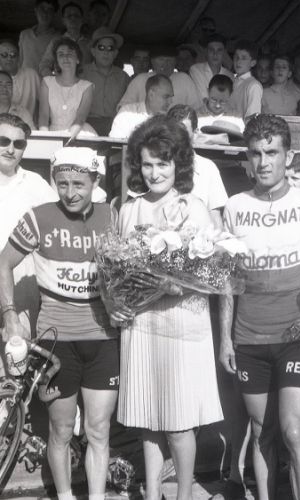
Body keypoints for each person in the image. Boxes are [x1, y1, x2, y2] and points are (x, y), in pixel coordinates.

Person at [0, 146, 119, 500]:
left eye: (79, 184)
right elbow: (3, 262)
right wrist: (9, 313)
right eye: (62, 183)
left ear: (95, 181)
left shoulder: (112, 216)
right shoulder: (38, 217)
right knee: (61, 430)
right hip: (57, 344)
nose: (70, 192)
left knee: (98, 430)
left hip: (103, 339)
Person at [114, 117, 223, 500]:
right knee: (148, 419)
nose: (155, 172)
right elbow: (118, 272)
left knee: (178, 423)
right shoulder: (129, 210)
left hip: (182, 325)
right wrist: (118, 301)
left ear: (179, 164)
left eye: (163, 163)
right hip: (141, 325)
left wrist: (174, 284)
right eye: (147, 164)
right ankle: (152, 490)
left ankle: (184, 494)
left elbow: (212, 275)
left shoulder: (193, 208)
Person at [221, 114, 300, 500]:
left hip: (296, 336)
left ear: (288, 156)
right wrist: (225, 338)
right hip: (249, 338)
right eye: (255, 154)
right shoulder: (234, 207)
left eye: (272, 152)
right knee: (261, 430)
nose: (263, 162)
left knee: (294, 431)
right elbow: (229, 281)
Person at [0, 113, 56, 336]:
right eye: (3, 141)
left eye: (18, 144)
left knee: (17, 354)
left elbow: (59, 224)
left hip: (21, 289)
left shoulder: (35, 184)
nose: (10, 149)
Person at [165, 104, 228, 228]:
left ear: (195, 132)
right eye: (172, 130)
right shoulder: (156, 166)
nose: (177, 136)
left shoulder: (208, 168)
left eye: (182, 130)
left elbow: (215, 219)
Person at [38, 38, 96, 140]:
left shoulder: (87, 87)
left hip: (78, 134)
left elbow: (80, 119)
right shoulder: (47, 82)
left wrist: (66, 140)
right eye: (61, 54)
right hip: (52, 133)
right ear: (57, 60)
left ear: (77, 59)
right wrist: (45, 138)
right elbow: (44, 116)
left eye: (70, 54)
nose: (65, 57)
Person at [117, 46, 201, 111]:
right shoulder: (140, 79)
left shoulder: (184, 79)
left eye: (169, 60)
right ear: (152, 61)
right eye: (161, 59)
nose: (166, 64)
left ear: (175, 62)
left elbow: (197, 107)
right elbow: (123, 108)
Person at [82, 27, 129, 136]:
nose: (106, 52)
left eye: (110, 48)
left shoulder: (124, 77)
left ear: (115, 53)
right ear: (93, 51)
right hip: (86, 125)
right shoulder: (82, 74)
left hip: (116, 126)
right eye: (101, 47)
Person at [109, 74, 173, 139]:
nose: (170, 102)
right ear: (151, 95)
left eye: (171, 97)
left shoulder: (171, 120)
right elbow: (115, 143)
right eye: (166, 97)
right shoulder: (126, 115)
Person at [39, 2, 92, 77]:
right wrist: (52, 80)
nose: (73, 18)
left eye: (76, 15)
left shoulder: (90, 43)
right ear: (63, 21)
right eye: (69, 16)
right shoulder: (56, 42)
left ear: (82, 20)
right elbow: (44, 65)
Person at [0, 39, 40, 119]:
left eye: (13, 55)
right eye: (4, 55)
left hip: (28, 122)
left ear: (19, 57)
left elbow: (42, 101)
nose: (9, 58)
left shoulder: (32, 75)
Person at [189, 34, 234, 100]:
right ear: (206, 52)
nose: (215, 54)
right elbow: (203, 98)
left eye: (219, 50)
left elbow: (230, 99)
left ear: (224, 52)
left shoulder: (230, 75)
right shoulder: (196, 69)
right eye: (211, 50)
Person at [18, 0, 59, 72]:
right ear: (36, 10)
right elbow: (20, 60)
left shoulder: (57, 37)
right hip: (24, 77)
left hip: (44, 78)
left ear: (54, 14)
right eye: (42, 8)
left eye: (50, 10)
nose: (45, 13)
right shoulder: (24, 34)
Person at [229, 40, 263, 120]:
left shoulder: (253, 85)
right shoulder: (231, 81)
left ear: (253, 63)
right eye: (236, 57)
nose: (238, 61)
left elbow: (252, 118)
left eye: (243, 58)